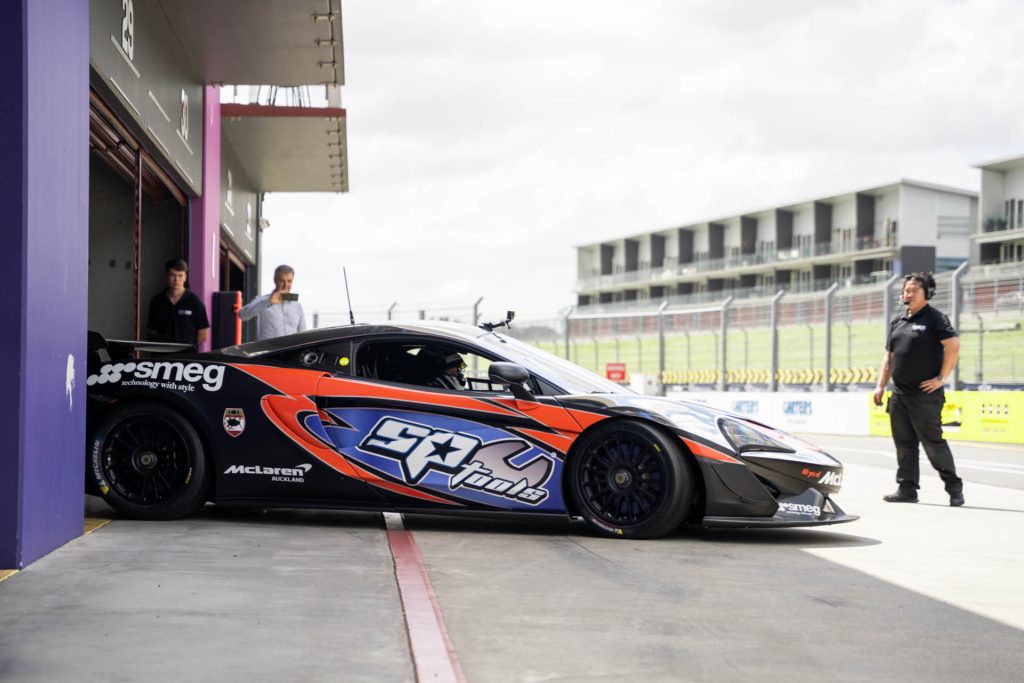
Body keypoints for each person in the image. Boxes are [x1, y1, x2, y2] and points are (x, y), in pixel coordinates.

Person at [873, 272, 964, 506]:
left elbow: (953, 345)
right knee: (904, 445)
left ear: (928, 293)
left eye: (914, 290)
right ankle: (907, 489)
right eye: (906, 290)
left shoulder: (935, 318)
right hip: (899, 395)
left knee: (933, 443)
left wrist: (941, 378)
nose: (908, 293)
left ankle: (954, 488)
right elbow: (889, 357)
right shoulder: (898, 321)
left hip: (925, 396)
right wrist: (881, 386)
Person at [146, 259, 209, 347]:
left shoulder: (195, 301)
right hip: (161, 356)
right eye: (173, 275)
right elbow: (152, 331)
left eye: (180, 275)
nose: (176, 279)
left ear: (185, 277)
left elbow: (203, 335)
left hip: (186, 357)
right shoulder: (156, 301)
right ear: (167, 276)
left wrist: (188, 349)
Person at [239, 264, 306, 340]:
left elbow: (303, 336)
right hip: (269, 351)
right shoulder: (261, 300)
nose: (285, 285)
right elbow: (242, 315)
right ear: (275, 280)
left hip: (291, 351)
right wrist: (267, 302)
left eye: (289, 281)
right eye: (282, 280)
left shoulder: (297, 307)